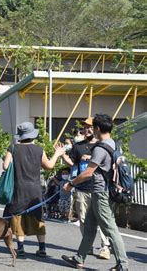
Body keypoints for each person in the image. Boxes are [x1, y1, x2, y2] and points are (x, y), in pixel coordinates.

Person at [62, 114, 128, 270]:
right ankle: (79, 258)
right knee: (90, 227)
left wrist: (70, 184)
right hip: (104, 191)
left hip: (101, 193)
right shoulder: (113, 143)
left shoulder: (100, 147)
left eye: (93, 127)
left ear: (97, 129)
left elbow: (87, 173)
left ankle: (122, 265)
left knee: (110, 229)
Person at [2, 122, 65, 258]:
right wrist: (57, 154)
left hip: (19, 188)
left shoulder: (12, 148)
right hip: (35, 188)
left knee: (18, 216)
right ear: (32, 135)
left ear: (20, 136)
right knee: (37, 216)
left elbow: (5, 166)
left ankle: (20, 249)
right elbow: (49, 166)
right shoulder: (39, 150)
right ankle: (42, 248)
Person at [61, 117, 111, 260]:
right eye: (85, 127)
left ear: (96, 128)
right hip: (82, 188)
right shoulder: (78, 146)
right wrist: (62, 154)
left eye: (90, 127)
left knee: (102, 220)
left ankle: (105, 247)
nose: (87, 129)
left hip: (98, 188)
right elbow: (72, 163)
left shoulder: (102, 146)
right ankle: (87, 246)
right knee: (83, 220)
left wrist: (90, 158)